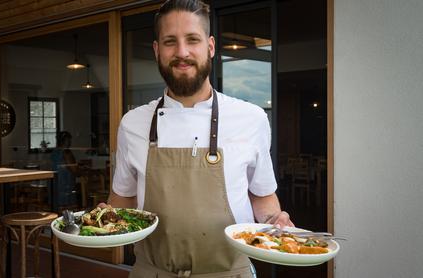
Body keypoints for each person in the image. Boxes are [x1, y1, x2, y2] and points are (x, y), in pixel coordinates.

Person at [108, 0, 294, 277]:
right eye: (170, 41)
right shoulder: (132, 123)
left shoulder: (251, 118)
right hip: (153, 272)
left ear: (210, 46)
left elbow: (262, 196)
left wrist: (274, 220)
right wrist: (104, 219)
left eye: (192, 40)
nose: (182, 52)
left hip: (230, 272)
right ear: (157, 50)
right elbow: (122, 200)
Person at [50, 131, 79, 209]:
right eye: (69, 140)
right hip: (66, 184)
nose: (70, 143)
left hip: (56, 184)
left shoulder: (54, 152)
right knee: (68, 208)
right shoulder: (66, 152)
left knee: (58, 208)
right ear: (65, 141)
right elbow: (74, 169)